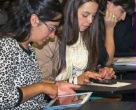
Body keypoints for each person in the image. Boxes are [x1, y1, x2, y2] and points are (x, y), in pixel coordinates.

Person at [0, 0, 80, 109]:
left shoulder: (28, 46)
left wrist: (55, 84)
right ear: (34, 20)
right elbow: (4, 97)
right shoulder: (7, 46)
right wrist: (41, 87)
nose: (52, 36)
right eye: (51, 28)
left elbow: (28, 81)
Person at [34, 0, 117, 85]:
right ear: (70, 11)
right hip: (56, 97)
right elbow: (40, 84)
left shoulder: (87, 35)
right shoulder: (47, 39)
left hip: (82, 95)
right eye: (85, 15)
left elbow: (86, 73)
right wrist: (74, 81)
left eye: (93, 16)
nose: (90, 20)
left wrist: (98, 74)